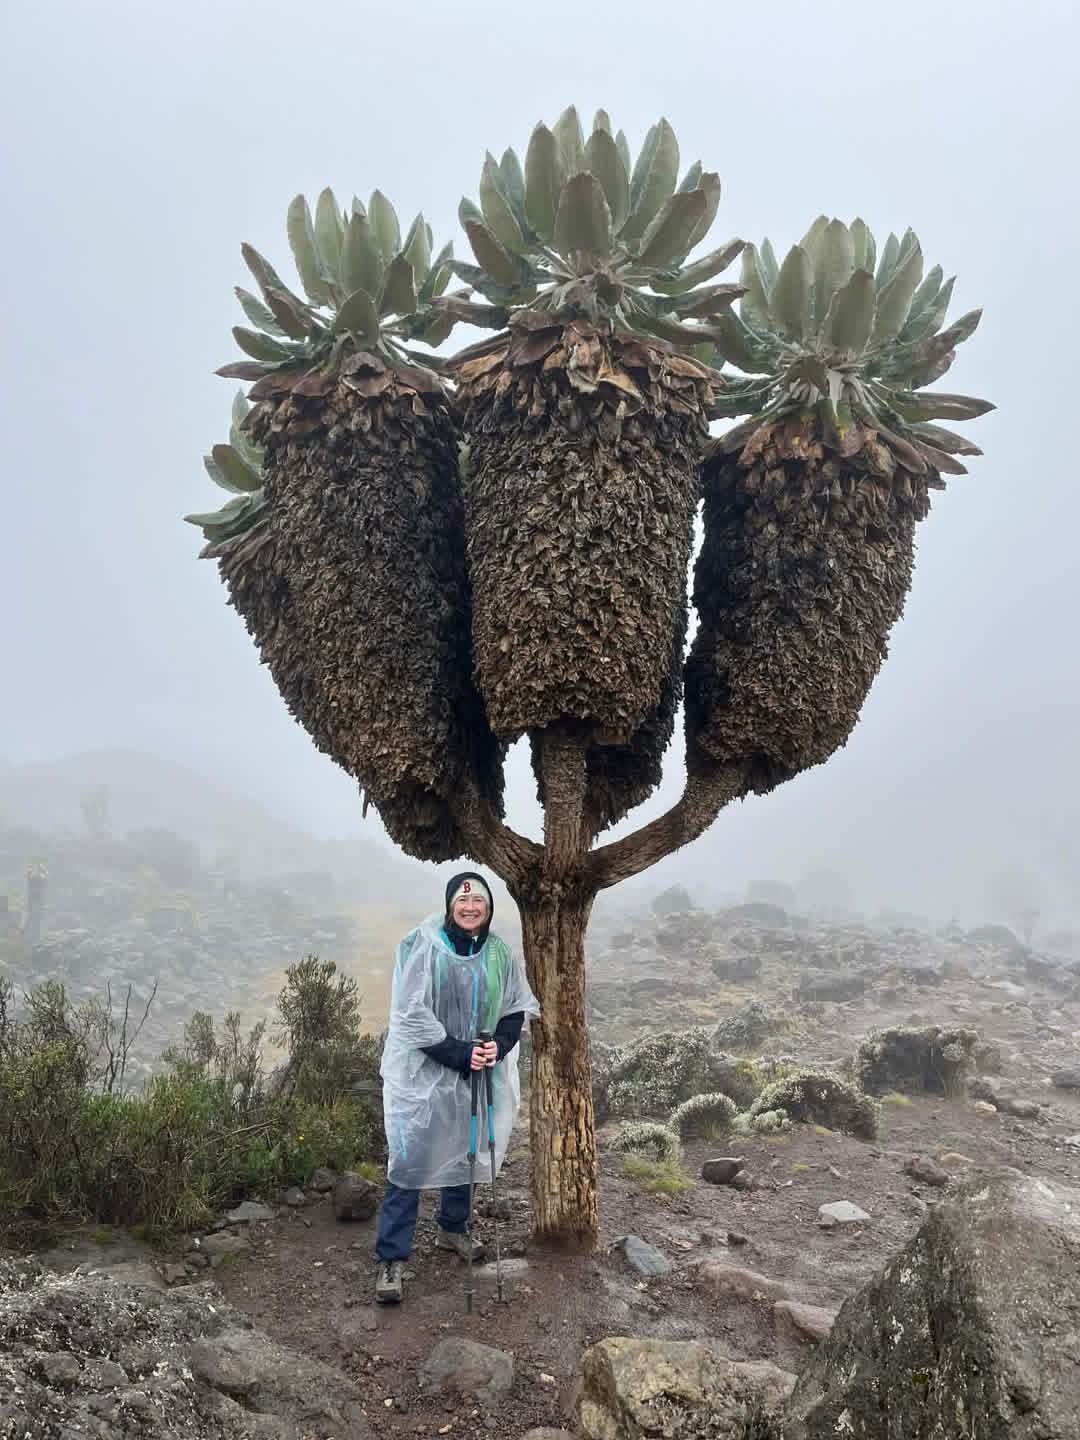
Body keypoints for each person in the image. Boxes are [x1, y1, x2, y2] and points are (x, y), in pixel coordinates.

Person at [374, 871, 538, 1305]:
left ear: (488, 908)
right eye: (462, 903)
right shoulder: (422, 946)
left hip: (476, 1069)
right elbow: (410, 1016)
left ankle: (453, 1228)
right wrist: (458, 1052)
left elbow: (514, 1008)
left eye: (479, 903)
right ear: (450, 906)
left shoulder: (499, 953)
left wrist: (496, 1048)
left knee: (466, 1148)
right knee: (408, 1160)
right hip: (423, 1072)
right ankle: (392, 1257)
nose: (470, 909)